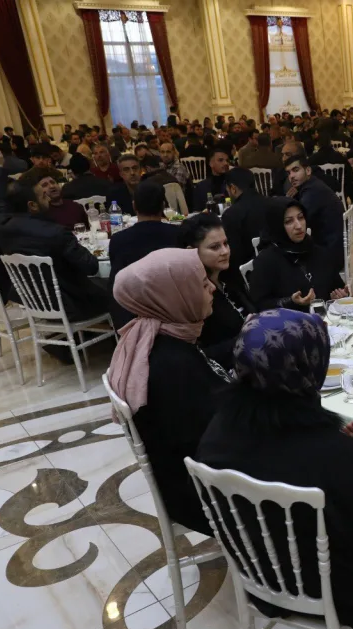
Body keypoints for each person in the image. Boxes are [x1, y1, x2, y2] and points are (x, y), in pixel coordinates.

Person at [196, 309, 353, 629]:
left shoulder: (219, 428)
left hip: (263, 575)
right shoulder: (329, 449)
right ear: (311, 366)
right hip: (342, 594)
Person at [108, 248, 226, 535]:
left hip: (186, 477)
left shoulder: (158, 336)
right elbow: (218, 441)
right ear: (173, 293)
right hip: (204, 497)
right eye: (200, 283)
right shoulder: (172, 366)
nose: (212, 286)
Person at [0, 152, 109, 323]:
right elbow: (91, 266)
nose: (48, 199)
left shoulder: (2, 224)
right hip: (70, 306)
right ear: (32, 205)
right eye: (43, 196)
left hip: (35, 302)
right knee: (116, 285)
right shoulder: (55, 232)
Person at [180, 213, 255, 368]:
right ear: (191, 252)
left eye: (226, 244)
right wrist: (246, 338)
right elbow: (199, 356)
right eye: (215, 247)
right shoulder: (191, 296)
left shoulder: (228, 278)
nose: (225, 251)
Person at [249, 197, 347, 311]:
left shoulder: (318, 252)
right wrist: (291, 302)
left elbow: (336, 286)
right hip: (290, 325)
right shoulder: (265, 261)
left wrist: (338, 295)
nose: (299, 226)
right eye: (289, 221)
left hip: (328, 323)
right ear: (277, 226)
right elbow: (260, 305)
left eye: (301, 218)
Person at [108, 181, 183, 328]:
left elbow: (117, 282)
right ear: (163, 206)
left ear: (134, 206)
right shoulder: (178, 234)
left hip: (133, 313)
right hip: (175, 308)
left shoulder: (119, 240)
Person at [283, 153, 346, 273]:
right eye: (288, 173)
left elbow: (301, 221)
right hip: (333, 248)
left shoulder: (312, 192)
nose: (291, 176)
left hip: (329, 255)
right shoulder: (312, 185)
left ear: (307, 170)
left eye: (295, 170)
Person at [220, 167, 266, 291]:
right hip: (275, 265)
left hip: (247, 275)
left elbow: (233, 253)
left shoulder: (231, 214)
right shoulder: (271, 204)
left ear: (233, 188)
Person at [13, 167, 88, 230]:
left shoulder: (75, 205)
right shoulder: (44, 212)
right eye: (45, 185)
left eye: (52, 182)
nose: (52, 186)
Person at [192, 146, 231, 212]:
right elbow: (196, 211)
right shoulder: (201, 187)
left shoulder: (234, 183)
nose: (225, 163)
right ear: (211, 163)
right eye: (220, 160)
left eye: (227, 160)